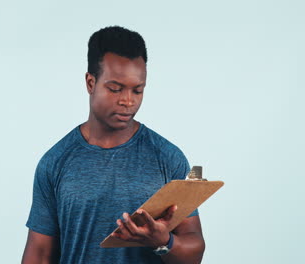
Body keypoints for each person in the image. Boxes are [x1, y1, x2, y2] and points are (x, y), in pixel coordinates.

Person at [21, 26, 205, 264]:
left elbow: (195, 253)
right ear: (90, 83)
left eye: (137, 90)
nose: (128, 101)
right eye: (115, 88)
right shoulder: (55, 163)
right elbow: (39, 254)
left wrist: (163, 242)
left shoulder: (168, 158)